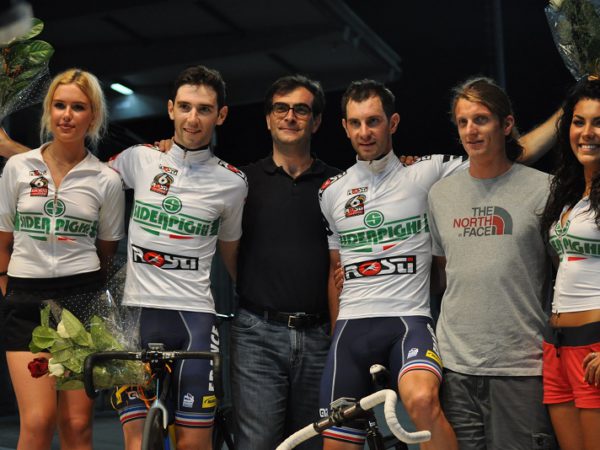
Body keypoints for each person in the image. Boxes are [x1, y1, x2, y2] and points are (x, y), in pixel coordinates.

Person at [319, 79, 465, 450]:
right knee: (336, 444)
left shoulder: (426, 172)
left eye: (374, 121)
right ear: (345, 127)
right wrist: (336, 338)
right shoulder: (330, 192)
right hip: (351, 330)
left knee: (422, 401)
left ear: (393, 123)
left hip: (408, 321)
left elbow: (499, 156)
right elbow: (335, 271)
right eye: (355, 123)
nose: (364, 132)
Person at [108, 65, 247, 450]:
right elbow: (83, 179)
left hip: (194, 320)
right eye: (185, 107)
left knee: (193, 444)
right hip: (135, 315)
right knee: (136, 443)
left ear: (220, 115)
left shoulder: (233, 183)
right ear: (170, 108)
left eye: (204, 109)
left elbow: (232, 250)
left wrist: (251, 304)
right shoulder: (139, 158)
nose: (192, 118)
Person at [427, 77, 557, 449]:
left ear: (507, 124)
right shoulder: (440, 195)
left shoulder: (544, 189)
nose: (471, 130)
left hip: (522, 367)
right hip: (456, 367)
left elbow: (565, 273)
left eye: (481, 119)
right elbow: (443, 273)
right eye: (463, 122)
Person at [0, 68, 125, 450]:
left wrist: (85, 293)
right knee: (38, 421)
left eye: (78, 107)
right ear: (48, 111)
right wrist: (8, 291)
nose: (67, 115)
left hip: (80, 302)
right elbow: (2, 242)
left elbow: (106, 252)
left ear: (93, 116)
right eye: (59, 105)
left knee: (77, 425)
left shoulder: (106, 179)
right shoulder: (18, 167)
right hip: (24, 301)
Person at [231, 75, 340, 450]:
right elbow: (230, 255)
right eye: (281, 108)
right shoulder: (241, 183)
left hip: (321, 336)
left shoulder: (337, 185)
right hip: (257, 335)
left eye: (301, 110)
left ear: (317, 121)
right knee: (257, 443)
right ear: (268, 119)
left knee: (313, 443)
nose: (290, 117)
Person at [540, 75, 600, 450]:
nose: (587, 133)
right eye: (579, 122)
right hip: (557, 347)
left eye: (599, 123)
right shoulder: (570, 192)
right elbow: (517, 151)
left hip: (595, 348)